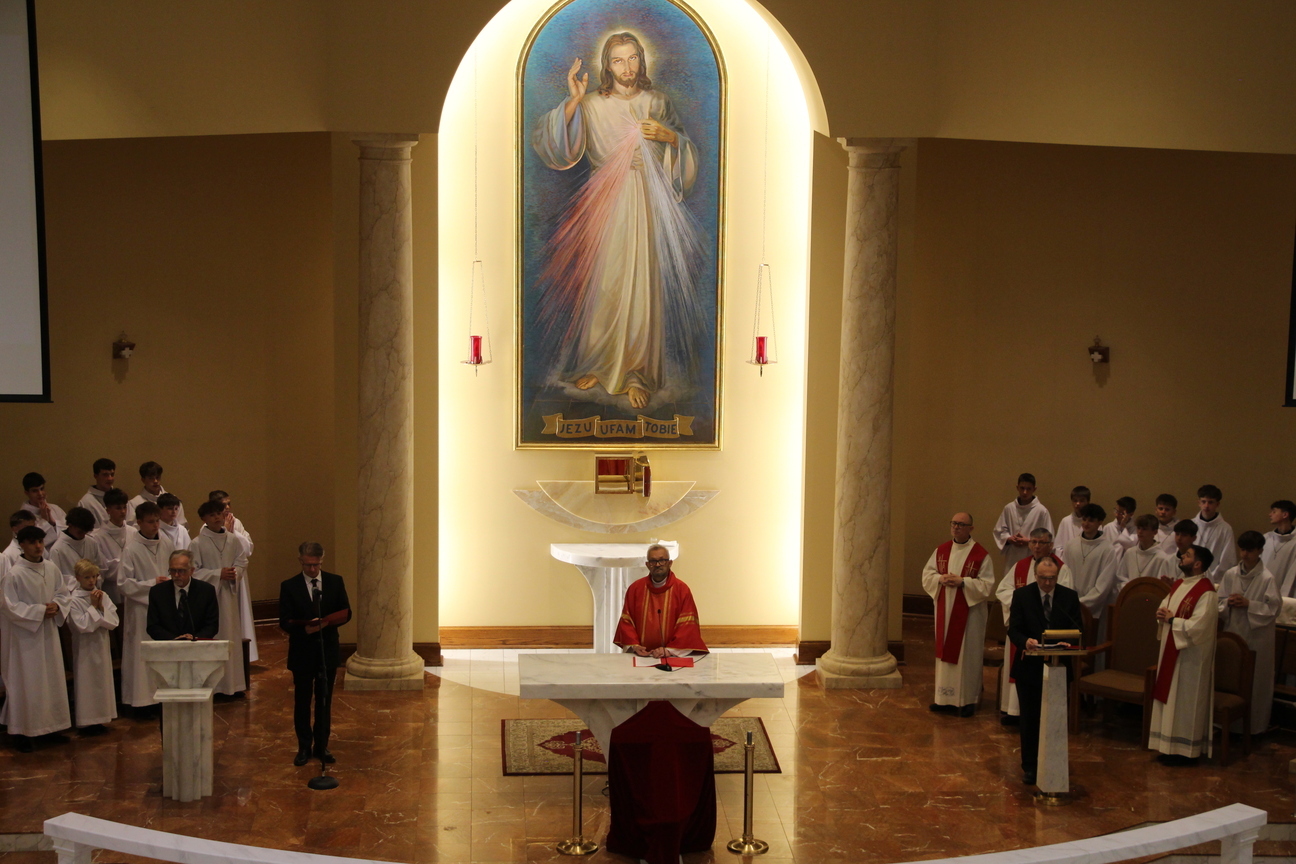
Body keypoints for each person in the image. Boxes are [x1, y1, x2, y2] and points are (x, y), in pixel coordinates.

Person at [531, 31, 703, 410]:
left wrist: (670, 138)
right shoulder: (592, 104)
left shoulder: (657, 101)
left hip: (645, 203)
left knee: (641, 285)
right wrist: (574, 101)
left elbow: (686, 154)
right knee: (604, 284)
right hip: (604, 204)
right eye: (618, 60)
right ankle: (597, 363)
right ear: (607, 66)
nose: (627, 67)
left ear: (642, 59)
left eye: (632, 58)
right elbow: (552, 145)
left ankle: (636, 372)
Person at [1007, 557, 1083, 786]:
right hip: (1029, 668)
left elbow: (1077, 628)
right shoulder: (1022, 595)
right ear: (1035, 575)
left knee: (1056, 718)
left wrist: (1069, 641)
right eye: (1043, 578)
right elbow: (1014, 629)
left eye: (1052, 578)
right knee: (1030, 719)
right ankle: (1030, 766)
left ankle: (1054, 763)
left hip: (1059, 666)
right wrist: (1026, 642)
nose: (1048, 583)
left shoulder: (1069, 597)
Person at [279, 542, 351, 766]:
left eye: (316, 565)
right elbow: (284, 620)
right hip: (302, 651)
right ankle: (304, 747)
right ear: (300, 561)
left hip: (326, 649)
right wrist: (304, 629)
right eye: (308, 565)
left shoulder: (335, 582)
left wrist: (327, 623)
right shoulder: (289, 586)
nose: (312, 569)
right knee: (302, 701)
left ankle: (321, 746)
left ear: (322, 561)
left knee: (324, 701)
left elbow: (346, 612)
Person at [0, 526, 72, 752]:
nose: (38, 546)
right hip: (25, 640)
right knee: (27, 683)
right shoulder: (14, 575)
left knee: (51, 680)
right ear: (22, 545)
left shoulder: (51, 567)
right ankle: (22, 731)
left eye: (40, 541)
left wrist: (57, 605)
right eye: (32, 542)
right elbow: (9, 607)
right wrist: (40, 611)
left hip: (48, 634)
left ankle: (51, 728)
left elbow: (62, 593)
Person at [1148, 545, 1219, 763]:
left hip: (1190, 659)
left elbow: (1200, 627)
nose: (1182, 557)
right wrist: (1161, 614)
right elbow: (1166, 606)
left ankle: (1186, 753)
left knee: (1186, 702)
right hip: (1171, 650)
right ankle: (1167, 747)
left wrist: (1172, 620)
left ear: (1197, 564)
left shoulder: (1207, 592)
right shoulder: (1179, 584)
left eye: (1187, 556)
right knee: (1170, 700)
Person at [994, 528, 1073, 723]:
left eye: (1042, 543)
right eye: (1034, 542)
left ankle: (1040, 715)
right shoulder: (1020, 566)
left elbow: (1064, 599)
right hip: (1023, 630)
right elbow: (1002, 590)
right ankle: (1014, 712)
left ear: (1050, 545)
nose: (1037, 546)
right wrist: (1022, 607)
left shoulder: (1061, 569)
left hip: (1047, 632)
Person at [921, 512, 995, 717]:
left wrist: (963, 582)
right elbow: (927, 575)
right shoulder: (941, 551)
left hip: (969, 615)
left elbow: (987, 585)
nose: (956, 527)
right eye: (954, 523)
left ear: (971, 528)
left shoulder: (980, 555)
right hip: (945, 610)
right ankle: (943, 699)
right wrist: (940, 579)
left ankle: (967, 700)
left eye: (961, 524)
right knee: (945, 653)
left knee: (968, 655)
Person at [1217, 531, 1281, 732]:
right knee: (1231, 676)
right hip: (1234, 631)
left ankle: (1253, 728)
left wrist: (1249, 604)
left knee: (1254, 680)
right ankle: (1225, 724)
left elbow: (1274, 609)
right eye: (1242, 549)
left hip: (1257, 637)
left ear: (1260, 551)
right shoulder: (1231, 574)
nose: (1244, 554)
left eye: (1250, 551)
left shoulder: (1267, 578)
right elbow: (1218, 602)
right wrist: (1228, 603)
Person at [118, 501, 176, 713]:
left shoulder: (166, 543)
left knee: (162, 652)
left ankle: (163, 697)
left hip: (164, 609)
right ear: (139, 522)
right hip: (141, 611)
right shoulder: (131, 549)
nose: (155, 525)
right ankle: (142, 702)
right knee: (142, 653)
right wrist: (152, 584)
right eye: (150, 522)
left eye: (157, 521)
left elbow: (175, 569)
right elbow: (123, 583)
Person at [191, 499, 248, 695]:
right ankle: (214, 688)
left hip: (228, 597)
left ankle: (232, 685)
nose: (217, 517)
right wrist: (217, 574)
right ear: (204, 518)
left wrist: (234, 573)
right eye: (212, 514)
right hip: (209, 599)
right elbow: (193, 571)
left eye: (219, 513)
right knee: (214, 638)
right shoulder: (197, 543)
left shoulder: (232, 539)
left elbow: (242, 561)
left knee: (230, 637)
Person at [613, 544, 707, 656]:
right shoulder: (635, 589)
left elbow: (687, 627)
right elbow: (627, 622)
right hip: (641, 655)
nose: (657, 565)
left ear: (670, 563)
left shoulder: (682, 590)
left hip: (671, 656)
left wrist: (669, 650)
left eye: (662, 561)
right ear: (647, 565)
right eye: (653, 561)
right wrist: (635, 646)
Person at [65, 559, 119, 734]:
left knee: (102, 681)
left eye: (94, 576)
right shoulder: (73, 600)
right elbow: (81, 626)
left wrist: (100, 607)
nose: (91, 581)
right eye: (87, 577)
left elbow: (113, 622)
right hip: (85, 648)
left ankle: (101, 718)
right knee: (87, 682)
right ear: (78, 578)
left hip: (101, 645)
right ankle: (87, 722)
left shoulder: (103, 595)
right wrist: (95, 608)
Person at [209, 490, 257, 663]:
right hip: (220, 580)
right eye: (224, 505)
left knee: (240, 615)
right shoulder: (207, 528)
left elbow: (248, 548)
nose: (228, 507)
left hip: (237, 577)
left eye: (229, 503)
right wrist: (225, 532)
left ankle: (243, 654)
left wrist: (232, 533)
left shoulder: (237, 522)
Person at [1065, 503, 1121, 629]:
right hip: (1072, 606)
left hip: (1096, 607)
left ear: (1099, 522)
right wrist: (1071, 601)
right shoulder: (1071, 545)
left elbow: (1104, 584)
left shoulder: (1107, 549)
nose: (1086, 523)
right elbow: (1065, 575)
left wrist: (1082, 603)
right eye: (1084, 519)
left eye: (1091, 520)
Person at [147, 549, 219, 641]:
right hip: (168, 646)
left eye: (181, 571)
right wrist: (174, 640)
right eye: (173, 570)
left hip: (197, 646)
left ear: (191, 571)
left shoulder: (206, 591)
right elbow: (153, 626)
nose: (176, 575)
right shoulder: (157, 592)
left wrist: (195, 639)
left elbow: (212, 625)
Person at [991, 473, 1053, 573]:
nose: (1025, 492)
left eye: (1028, 489)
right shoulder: (1009, 508)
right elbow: (999, 530)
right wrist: (1008, 538)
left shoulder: (1041, 511)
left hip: (1032, 557)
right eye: (1022, 488)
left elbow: (1048, 539)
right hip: (1012, 558)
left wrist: (1029, 542)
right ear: (1017, 487)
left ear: (1034, 489)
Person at [89, 490, 136, 605]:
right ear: (108, 510)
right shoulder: (98, 537)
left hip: (132, 588)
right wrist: (126, 565)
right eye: (118, 508)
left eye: (124, 507)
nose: (123, 511)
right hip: (111, 589)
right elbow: (102, 568)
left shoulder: (133, 532)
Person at [49, 507, 107, 592]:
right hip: (72, 595)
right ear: (70, 525)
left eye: (85, 532)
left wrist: (96, 580)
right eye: (80, 532)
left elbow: (100, 567)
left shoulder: (91, 542)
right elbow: (57, 580)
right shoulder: (57, 550)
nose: (83, 535)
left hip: (93, 591)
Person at [1118, 514, 1176, 587]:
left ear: (1155, 532)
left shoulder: (1162, 558)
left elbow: (1161, 585)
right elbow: (1121, 577)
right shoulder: (1130, 553)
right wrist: (1130, 589)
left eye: (1144, 529)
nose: (1140, 532)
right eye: (1138, 528)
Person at [1192, 484, 1235, 583]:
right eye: (1203, 502)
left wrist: (1210, 579)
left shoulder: (1225, 529)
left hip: (1214, 581)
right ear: (1199, 503)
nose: (1206, 506)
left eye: (1210, 502)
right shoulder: (1191, 525)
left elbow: (1227, 560)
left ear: (1217, 504)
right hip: (1190, 578)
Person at [127, 461, 187, 529]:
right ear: (143, 480)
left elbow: (182, 525)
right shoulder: (134, 503)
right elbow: (132, 529)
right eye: (151, 478)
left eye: (157, 477)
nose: (155, 481)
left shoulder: (173, 501)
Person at [20, 472, 65, 548]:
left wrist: (52, 522)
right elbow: (30, 543)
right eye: (35, 491)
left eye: (42, 489)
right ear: (27, 493)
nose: (40, 493)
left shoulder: (55, 508)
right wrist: (45, 521)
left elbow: (70, 532)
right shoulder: (22, 517)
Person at [1053, 486, 1091, 563]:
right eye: (1075, 500)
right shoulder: (1065, 521)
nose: (1078, 503)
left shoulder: (1093, 522)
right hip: (1068, 563)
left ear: (1088, 502)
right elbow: (1058, 548)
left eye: (1081, 501)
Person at [77, 458, 117, 529]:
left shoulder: (119, 497)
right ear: (96, 476)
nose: (110, 478)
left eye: (112, 474)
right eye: (105, 475)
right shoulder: (86, 502)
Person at [0, 510, 37, 577]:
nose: (32, 531)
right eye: (27, 527)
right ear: (15, 529)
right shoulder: (9, 554)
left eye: (33, 527)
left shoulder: (38, 546)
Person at [1262, 499, 1296, 571]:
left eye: (1274, 512)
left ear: (1285, 515)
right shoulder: (1266, 538)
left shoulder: (1294, 541)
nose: (1270, 515)